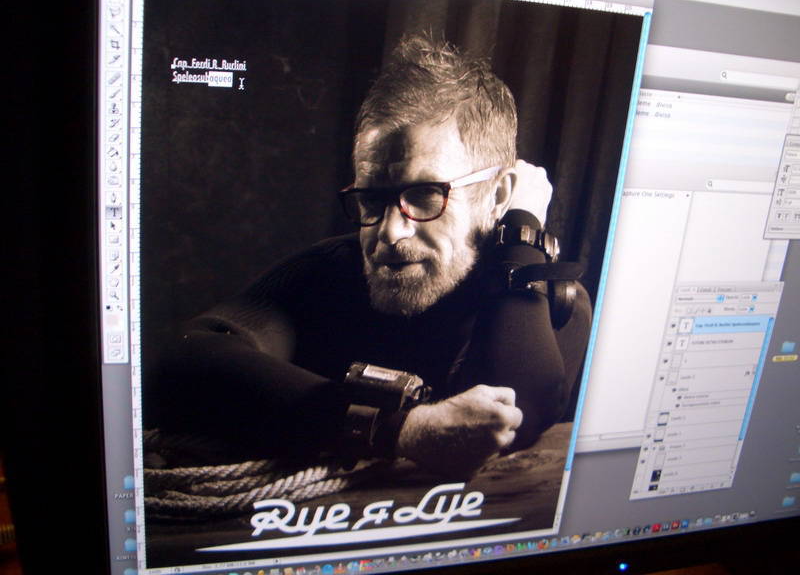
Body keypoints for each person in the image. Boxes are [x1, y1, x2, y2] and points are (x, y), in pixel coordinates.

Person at [147, 35, 592, 478]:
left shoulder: (547, 300)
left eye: (425, 194)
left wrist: (522, 233)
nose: (390, 232)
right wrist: (397, 429)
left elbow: (516, 414)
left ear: (496, 195)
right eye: (371, 199)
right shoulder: (328, 272)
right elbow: (182, 361)